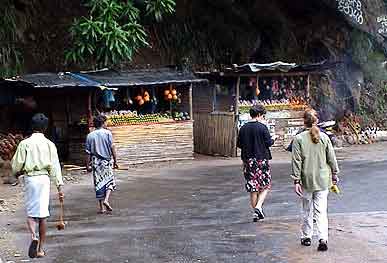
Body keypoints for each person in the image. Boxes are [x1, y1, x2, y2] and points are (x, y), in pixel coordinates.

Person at [11, 113, 64, 258]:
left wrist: (16, 173)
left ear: (32, 127)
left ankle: (33, 235)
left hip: (30, 179)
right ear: (45, 128)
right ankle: (40, 249)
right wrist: (59, 186)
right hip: (44, 179)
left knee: (31, 212)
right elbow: (55, 167)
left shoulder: (25, 143)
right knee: (42, 214)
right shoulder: (49, 144)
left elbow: (16, 165)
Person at [291, 109, 339, 251]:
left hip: (306, 180)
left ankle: (306, 236)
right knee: (321, 210)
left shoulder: (298, 139)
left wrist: (296, 181)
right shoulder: (324, 137)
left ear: (303, 121)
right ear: (316, 121)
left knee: (307, 209)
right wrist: (335, 173)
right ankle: (322, 237)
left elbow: (296, 162)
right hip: (323, 179)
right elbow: (331, 158)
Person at [237, 104, 275, 222]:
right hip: (261, 159)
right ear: (259, 115)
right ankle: (258, 206)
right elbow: (268, 142)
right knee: (265, 185)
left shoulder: (243, 128)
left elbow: (239, 144)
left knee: (253, 187)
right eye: (263, 115)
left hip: (248, 161)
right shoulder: (262, 127)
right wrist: (274, 138)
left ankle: (256, 213)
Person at [85, 115, 118, 214]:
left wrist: (87, 165)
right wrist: (115, 161)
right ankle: (106, 200)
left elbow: (88, 152)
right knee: (109, 181)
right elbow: (112, 148)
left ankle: (101, 208)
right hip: (106, 161)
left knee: (98, 183)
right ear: (103, 123)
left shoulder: (90, 135)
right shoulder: (108, 133)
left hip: (96, 162)